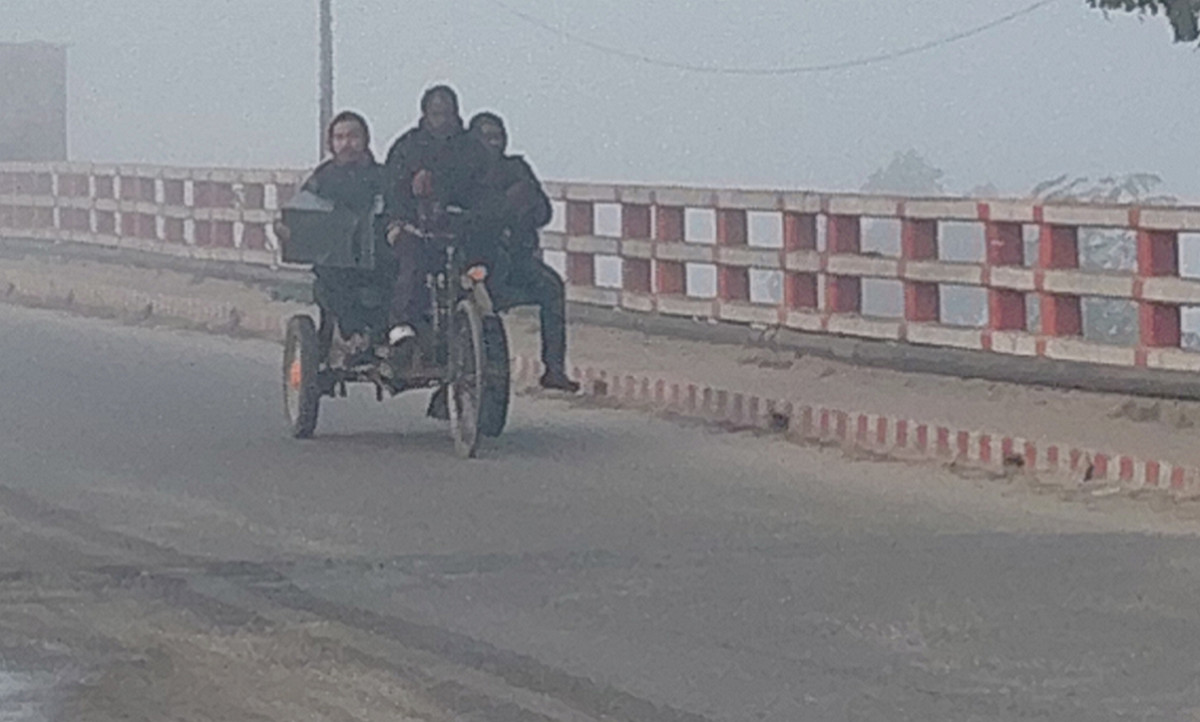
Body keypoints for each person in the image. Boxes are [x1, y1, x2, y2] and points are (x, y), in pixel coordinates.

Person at [468, 111, 579, 392]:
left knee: (552, 288)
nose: (494, 143)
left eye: (499, 136)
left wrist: (525, 203)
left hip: (517, 259)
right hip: (474, 261)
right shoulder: (462, 173)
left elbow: (544, 213)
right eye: (487, 137)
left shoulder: (517, 169)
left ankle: (554, 368)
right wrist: (503, 206)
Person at [381, 85, 493, 350]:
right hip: (415, 228)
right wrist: (406, 203)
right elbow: (391, 190)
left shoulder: (473, 149)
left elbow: (486, 190)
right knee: (411, 263)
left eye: (447, 113)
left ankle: (484, 324)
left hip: (462, 229)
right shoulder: (407, 146)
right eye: (436, 113)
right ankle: (402, 325)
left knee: (486, 262)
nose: (442, 120)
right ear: (425, 114)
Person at [278, 110, 389, 364]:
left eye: (352, 136)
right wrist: (285, 229)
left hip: (379, 261)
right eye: (339, 137)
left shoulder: (383, 177)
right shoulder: (322, 178)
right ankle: (351, 338)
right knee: (330, 285)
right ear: (332, 143)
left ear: (365, 140)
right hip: (335, 265)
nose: (346, 143)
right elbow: (301, 210)